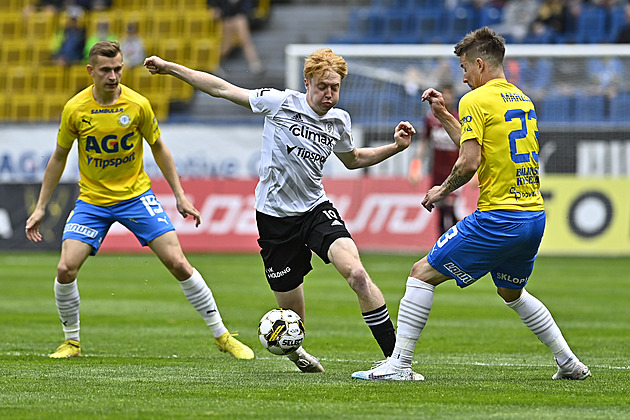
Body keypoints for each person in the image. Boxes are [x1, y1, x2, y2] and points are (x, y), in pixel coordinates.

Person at [143, 48, 415, 372]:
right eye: (323, 86)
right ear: (307, 82)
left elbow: (353, 159)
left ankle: (396, 361)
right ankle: (299, 355)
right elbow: (222, 89)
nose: (329, 94)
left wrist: (395, 147)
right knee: (292, 319)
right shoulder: (280, 102)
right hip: (274, 218)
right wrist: (170, 68)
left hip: (316, 209)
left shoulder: (339, 121)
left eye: (335, 87)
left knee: (356, 273)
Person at [352, 27, 591, 381]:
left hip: (499, 217)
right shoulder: (521, 98)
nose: (462, 77)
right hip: (532, 217)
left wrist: (441, 190)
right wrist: (444, 115)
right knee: (511, 291)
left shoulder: (477, 100)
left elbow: (468, 162)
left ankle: (399, 365)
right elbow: (478, 145)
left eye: (464, 67)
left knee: (420, 275)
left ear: (480, 64)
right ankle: (569, 362)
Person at [25, 41, 254, 361]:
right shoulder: (75, 109)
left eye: (118, 68)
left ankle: (223, 335)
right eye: (106, 70)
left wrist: (180, 195)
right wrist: (40, 208)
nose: (114, 76)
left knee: (178, 263)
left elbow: (159, 148)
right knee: (65, 268)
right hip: (93, 201)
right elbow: (58, 158)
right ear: (91, 71)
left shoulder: (137, 105)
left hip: (136, 197)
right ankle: (72, 343)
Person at [408, 84, 460, 236]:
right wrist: (416, 166)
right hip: (437, 170)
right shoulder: (431, 120)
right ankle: (441, 240)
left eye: (450, 95)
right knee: (441, 208)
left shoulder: (459, 119)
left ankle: (456, 238)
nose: (448, 98)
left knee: (450, 205)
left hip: (455, 170)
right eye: (445, 95)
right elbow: (424, 143)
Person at [207, 0, 264, 75]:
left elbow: (250, 6)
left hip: (239, 16)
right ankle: (214, 63)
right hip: (226, 19)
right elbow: (214, 8)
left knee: (245, 39)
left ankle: (254, 63)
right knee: (228, 44)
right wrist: (216, 10)